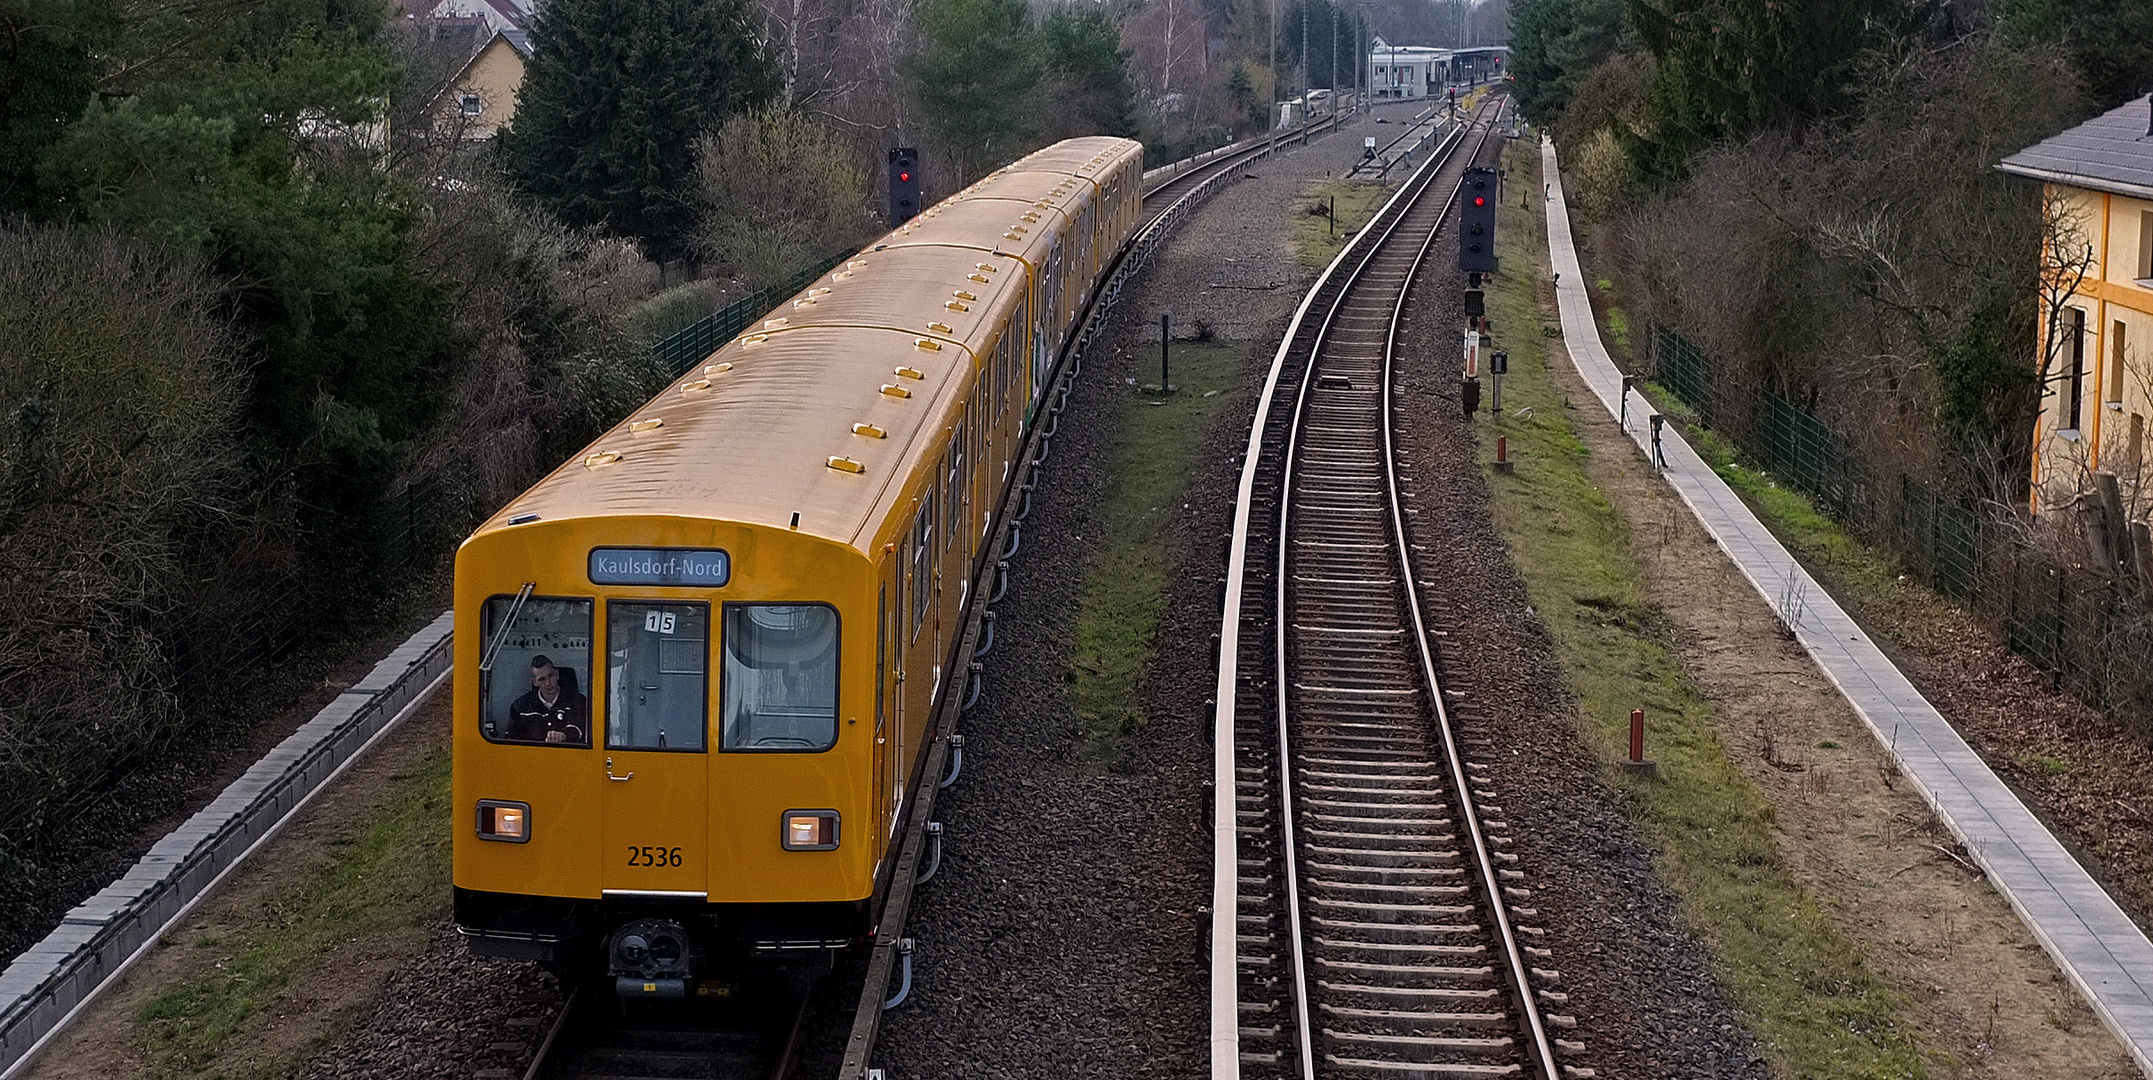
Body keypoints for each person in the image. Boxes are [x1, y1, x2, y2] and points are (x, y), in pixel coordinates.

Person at [506, 655, 588, 744]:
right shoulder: (520, 707)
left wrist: (563, 735)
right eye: (542, 679)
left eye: (551, 676)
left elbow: (580, 729)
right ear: (535, 682)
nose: (548, 683)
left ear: (557, 675)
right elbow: (511, 739)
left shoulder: (578, 701)